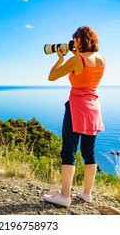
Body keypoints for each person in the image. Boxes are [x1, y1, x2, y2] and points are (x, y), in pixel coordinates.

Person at [43, 26, 106, 207]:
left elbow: (51, 77)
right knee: (89, 152)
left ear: (80, 40)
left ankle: (64, 196)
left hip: (77, 108)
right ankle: (87, 193)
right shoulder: (102, 59)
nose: (73, 42)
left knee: (68, 151)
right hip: (93, 108)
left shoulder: (76, 60)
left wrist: (61, 59)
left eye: (75, 39)